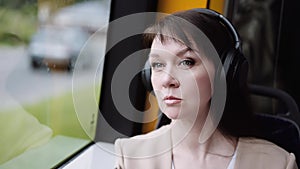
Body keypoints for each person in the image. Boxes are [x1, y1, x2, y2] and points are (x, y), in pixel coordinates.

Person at [114, 8, 298, 169]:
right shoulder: (130, 156)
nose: (167, 80)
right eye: (158, 64)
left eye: (187, 62)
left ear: (224, 73)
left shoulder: (277, 163)